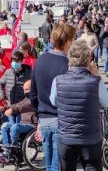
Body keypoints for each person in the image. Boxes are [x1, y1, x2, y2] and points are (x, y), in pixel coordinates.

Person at [50, 39, 108, 171]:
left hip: (66, 137)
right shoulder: (95, 81)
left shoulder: (58, 80)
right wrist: (97, 75)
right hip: (90, 138)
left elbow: (54, 101)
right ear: (88, 59)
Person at [31, 23, 76, 171]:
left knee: (49, 164)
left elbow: (33, 93)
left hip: (44, 120)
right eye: (73, 39)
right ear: (68, 41)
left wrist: (39, 116)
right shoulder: (68, 64)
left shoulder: (39, 61)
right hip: (61, 119)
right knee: (58, 165)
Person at [0, 80, 38, 163]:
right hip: (23, 124)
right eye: (24, 89)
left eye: (27, 89)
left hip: (32, 124)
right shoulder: (26, 98)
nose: (24, 91)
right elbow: (18, 104)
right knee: (5, 126)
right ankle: (6, 149)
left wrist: (11, 109)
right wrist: (4, 107)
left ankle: (13, 148)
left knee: (15, 127)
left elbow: (24, 106)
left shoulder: (34, 97)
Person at [0, 51, 32, 116]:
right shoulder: (8, 72)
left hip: (22, 107)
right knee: (11, 125)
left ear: (22, 61)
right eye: (13, 61)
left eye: (17, 61)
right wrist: (2, 97)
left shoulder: (29, 73)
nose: (14, 63)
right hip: (10, 106)